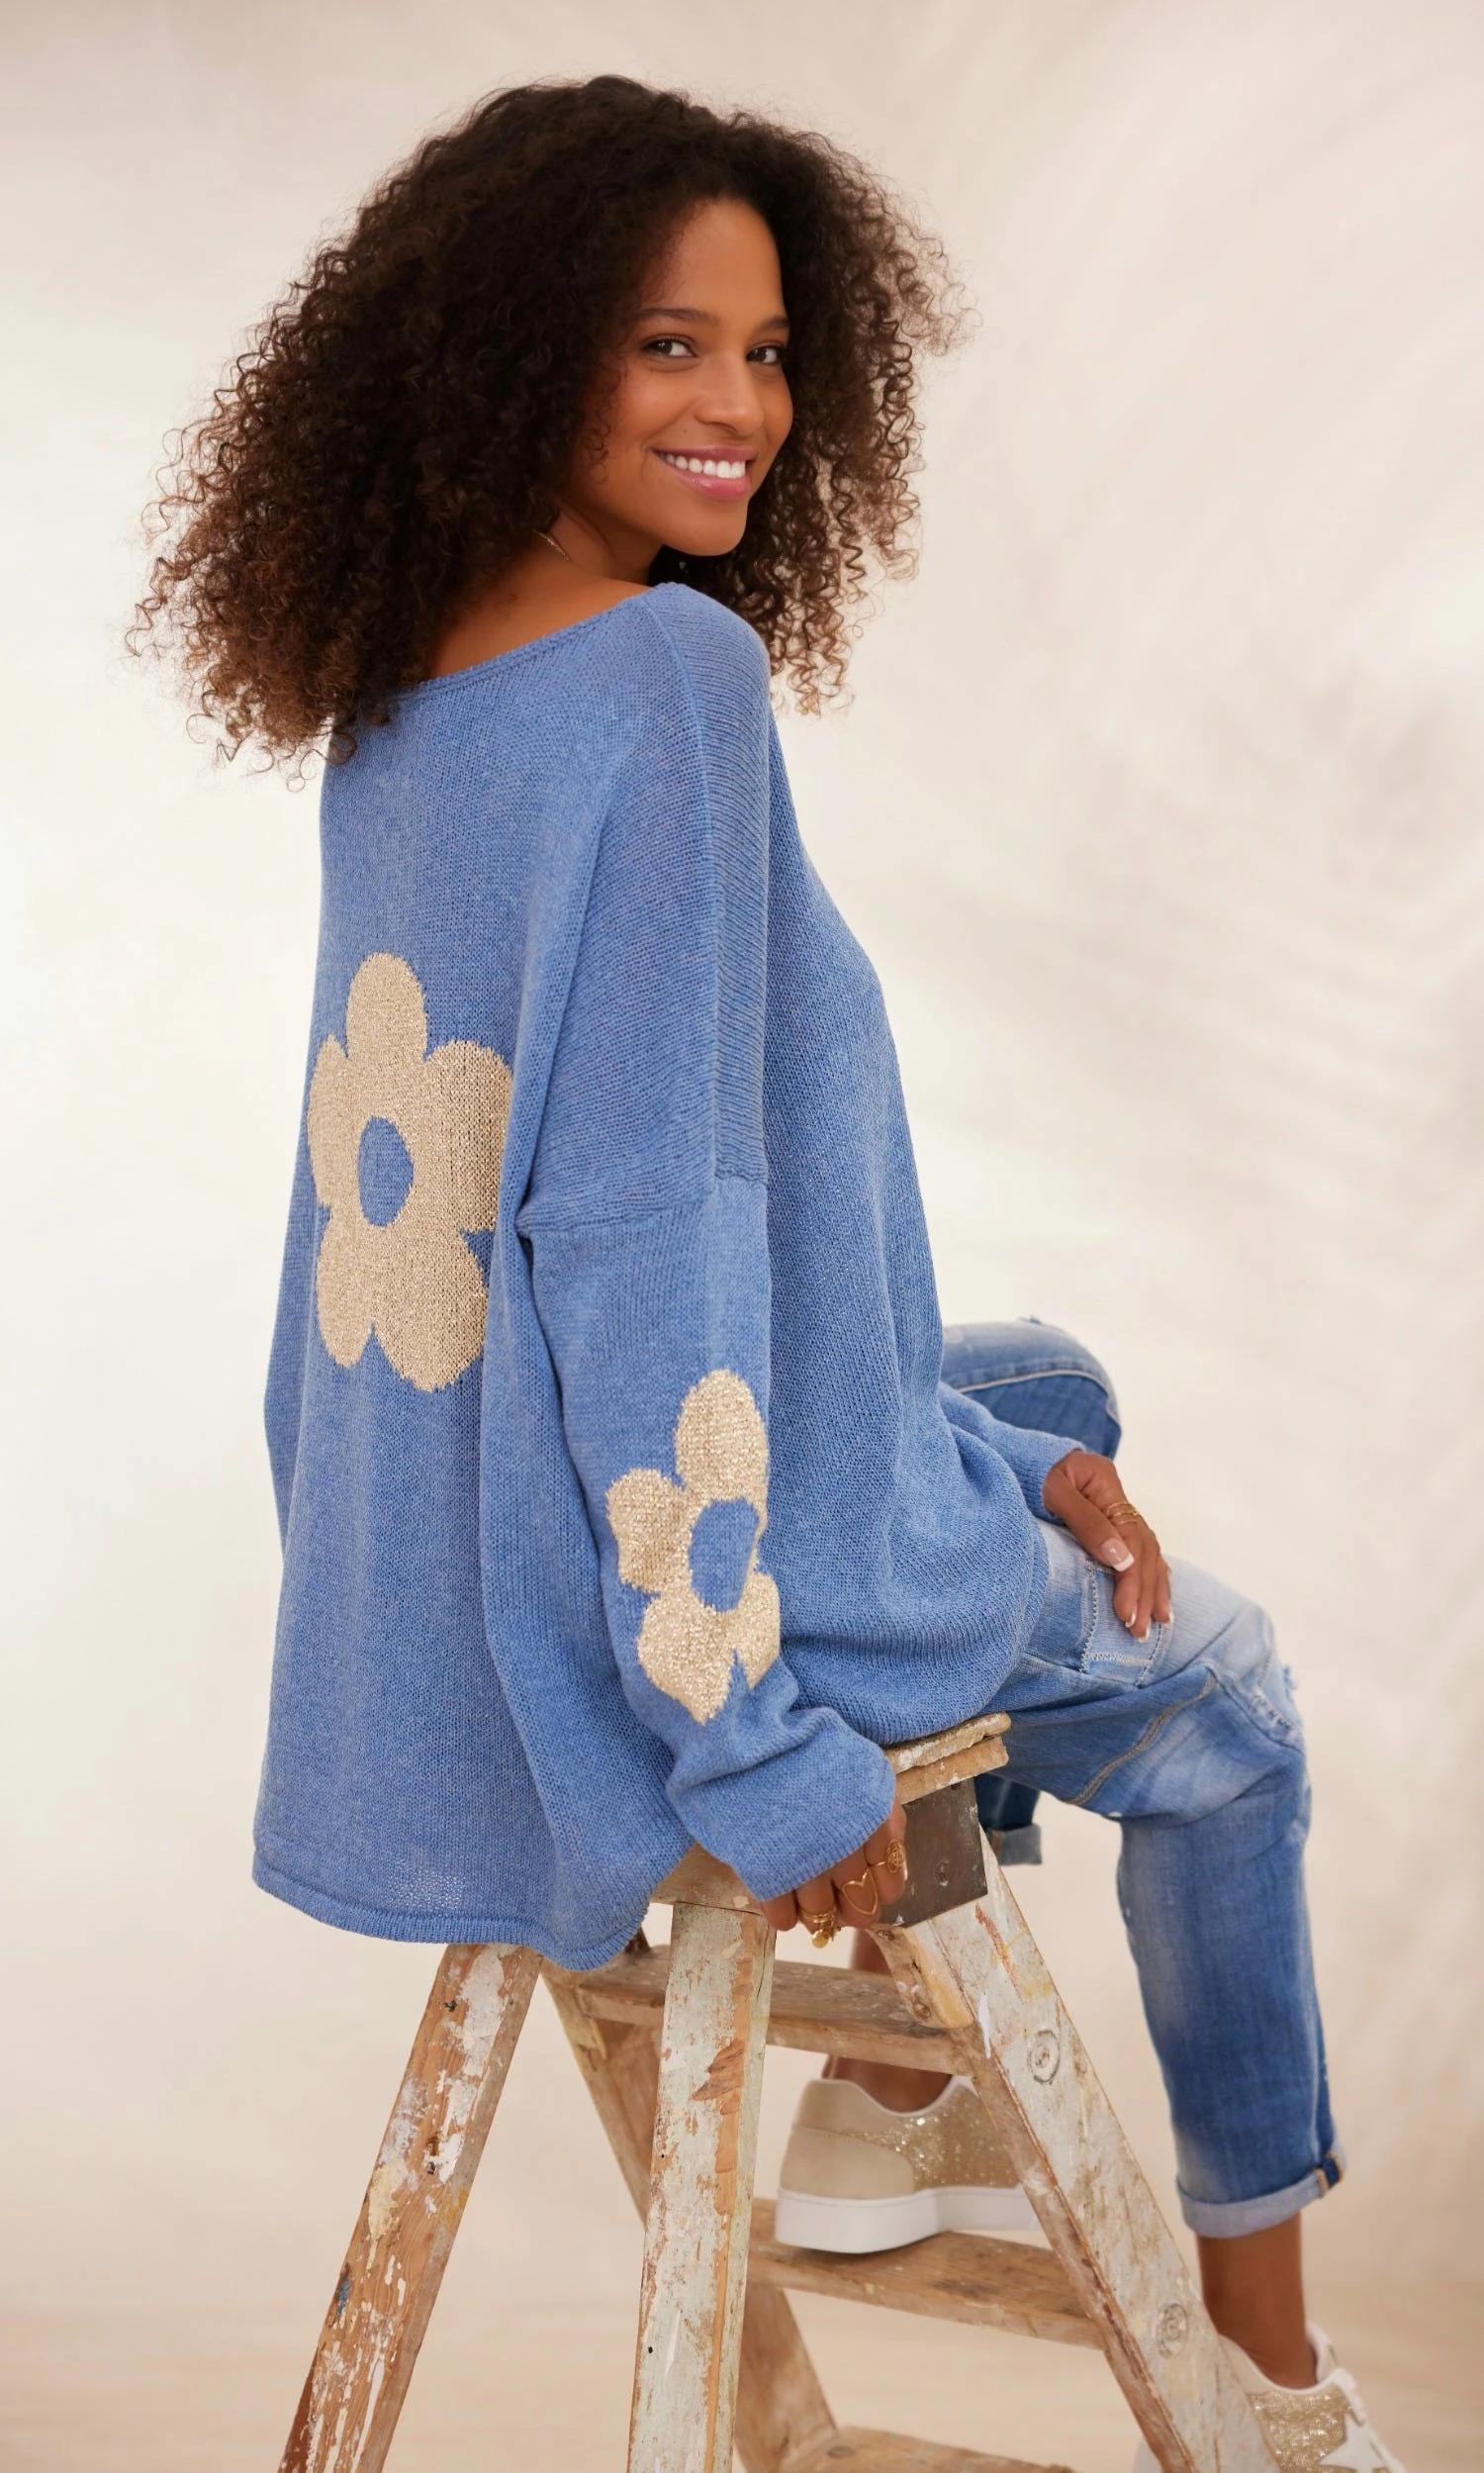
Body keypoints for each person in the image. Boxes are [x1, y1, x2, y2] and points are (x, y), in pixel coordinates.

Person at [136, 74, 1402, 2472]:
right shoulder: (666, 689)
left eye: (770, 350)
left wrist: (998, 1446)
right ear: (518, 353)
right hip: (658, 1576)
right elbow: (649, 1248)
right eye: (667, 345)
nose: (741, 404)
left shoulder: (402, 707)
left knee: (1048, 1382)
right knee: (1227, 1701)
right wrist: (749, 1734)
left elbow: (443, 1221)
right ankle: (1276, 2380)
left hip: (453, 1542)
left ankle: (884, 2111)